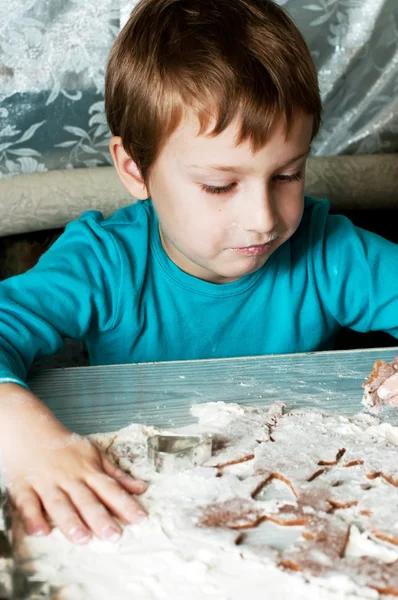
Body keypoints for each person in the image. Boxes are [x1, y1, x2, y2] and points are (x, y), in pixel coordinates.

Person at [0, 0, 397, 546]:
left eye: (287, 174)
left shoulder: (330, 253)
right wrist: (20, 433)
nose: (263, 219)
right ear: (134, 169)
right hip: (147, 511)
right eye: (219, 185)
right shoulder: (104, 262)